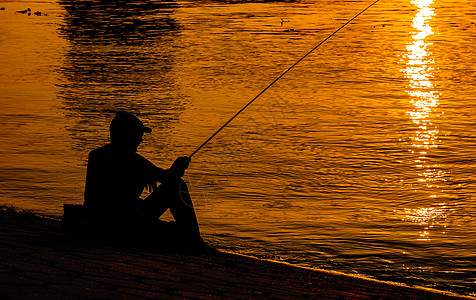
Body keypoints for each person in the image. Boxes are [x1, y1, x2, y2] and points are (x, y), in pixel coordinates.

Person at [83, 111, 215, 253]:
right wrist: (178, 166)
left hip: (96, 224)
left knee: (171, 228)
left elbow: (114, 196)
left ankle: (188, 236)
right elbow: (169, 178)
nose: (141, 139)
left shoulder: (96, 155)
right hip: (122, 227)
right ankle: (194, 239)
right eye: (138, 135)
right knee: (177, 185)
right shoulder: (133, 160)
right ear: (128, 135)